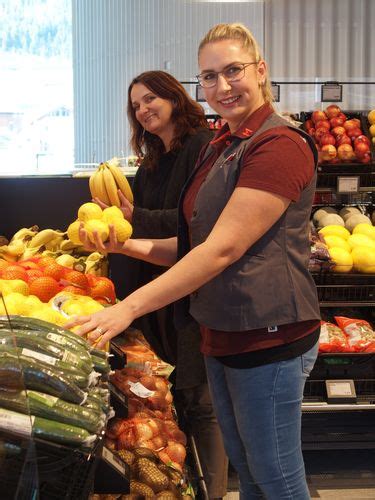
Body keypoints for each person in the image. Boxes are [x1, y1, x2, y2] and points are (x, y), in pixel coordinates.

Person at [67, 23, 321, 499]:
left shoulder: (278, 144)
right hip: (221, 333)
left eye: (233, 71)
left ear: (260, 71)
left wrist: (128, 308)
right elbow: (193, 243)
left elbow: (222, 249)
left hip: (269, 332)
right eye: (209, 77)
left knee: (276, 477)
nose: (222, 87)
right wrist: (124, 247)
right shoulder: (224, 145)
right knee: (247, 468)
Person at [93, 70, 228, 499]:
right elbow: (146, 221)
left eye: (151, 99)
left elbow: (195, 225)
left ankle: (215, 490)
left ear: (174, 98)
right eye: (136, 105)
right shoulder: (154, 157)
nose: (144, 109)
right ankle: (185, 484)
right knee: (173, 400)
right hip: (161, 294)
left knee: (200, 401)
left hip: (194, 292)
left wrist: (133, 221)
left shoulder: (201, 149)